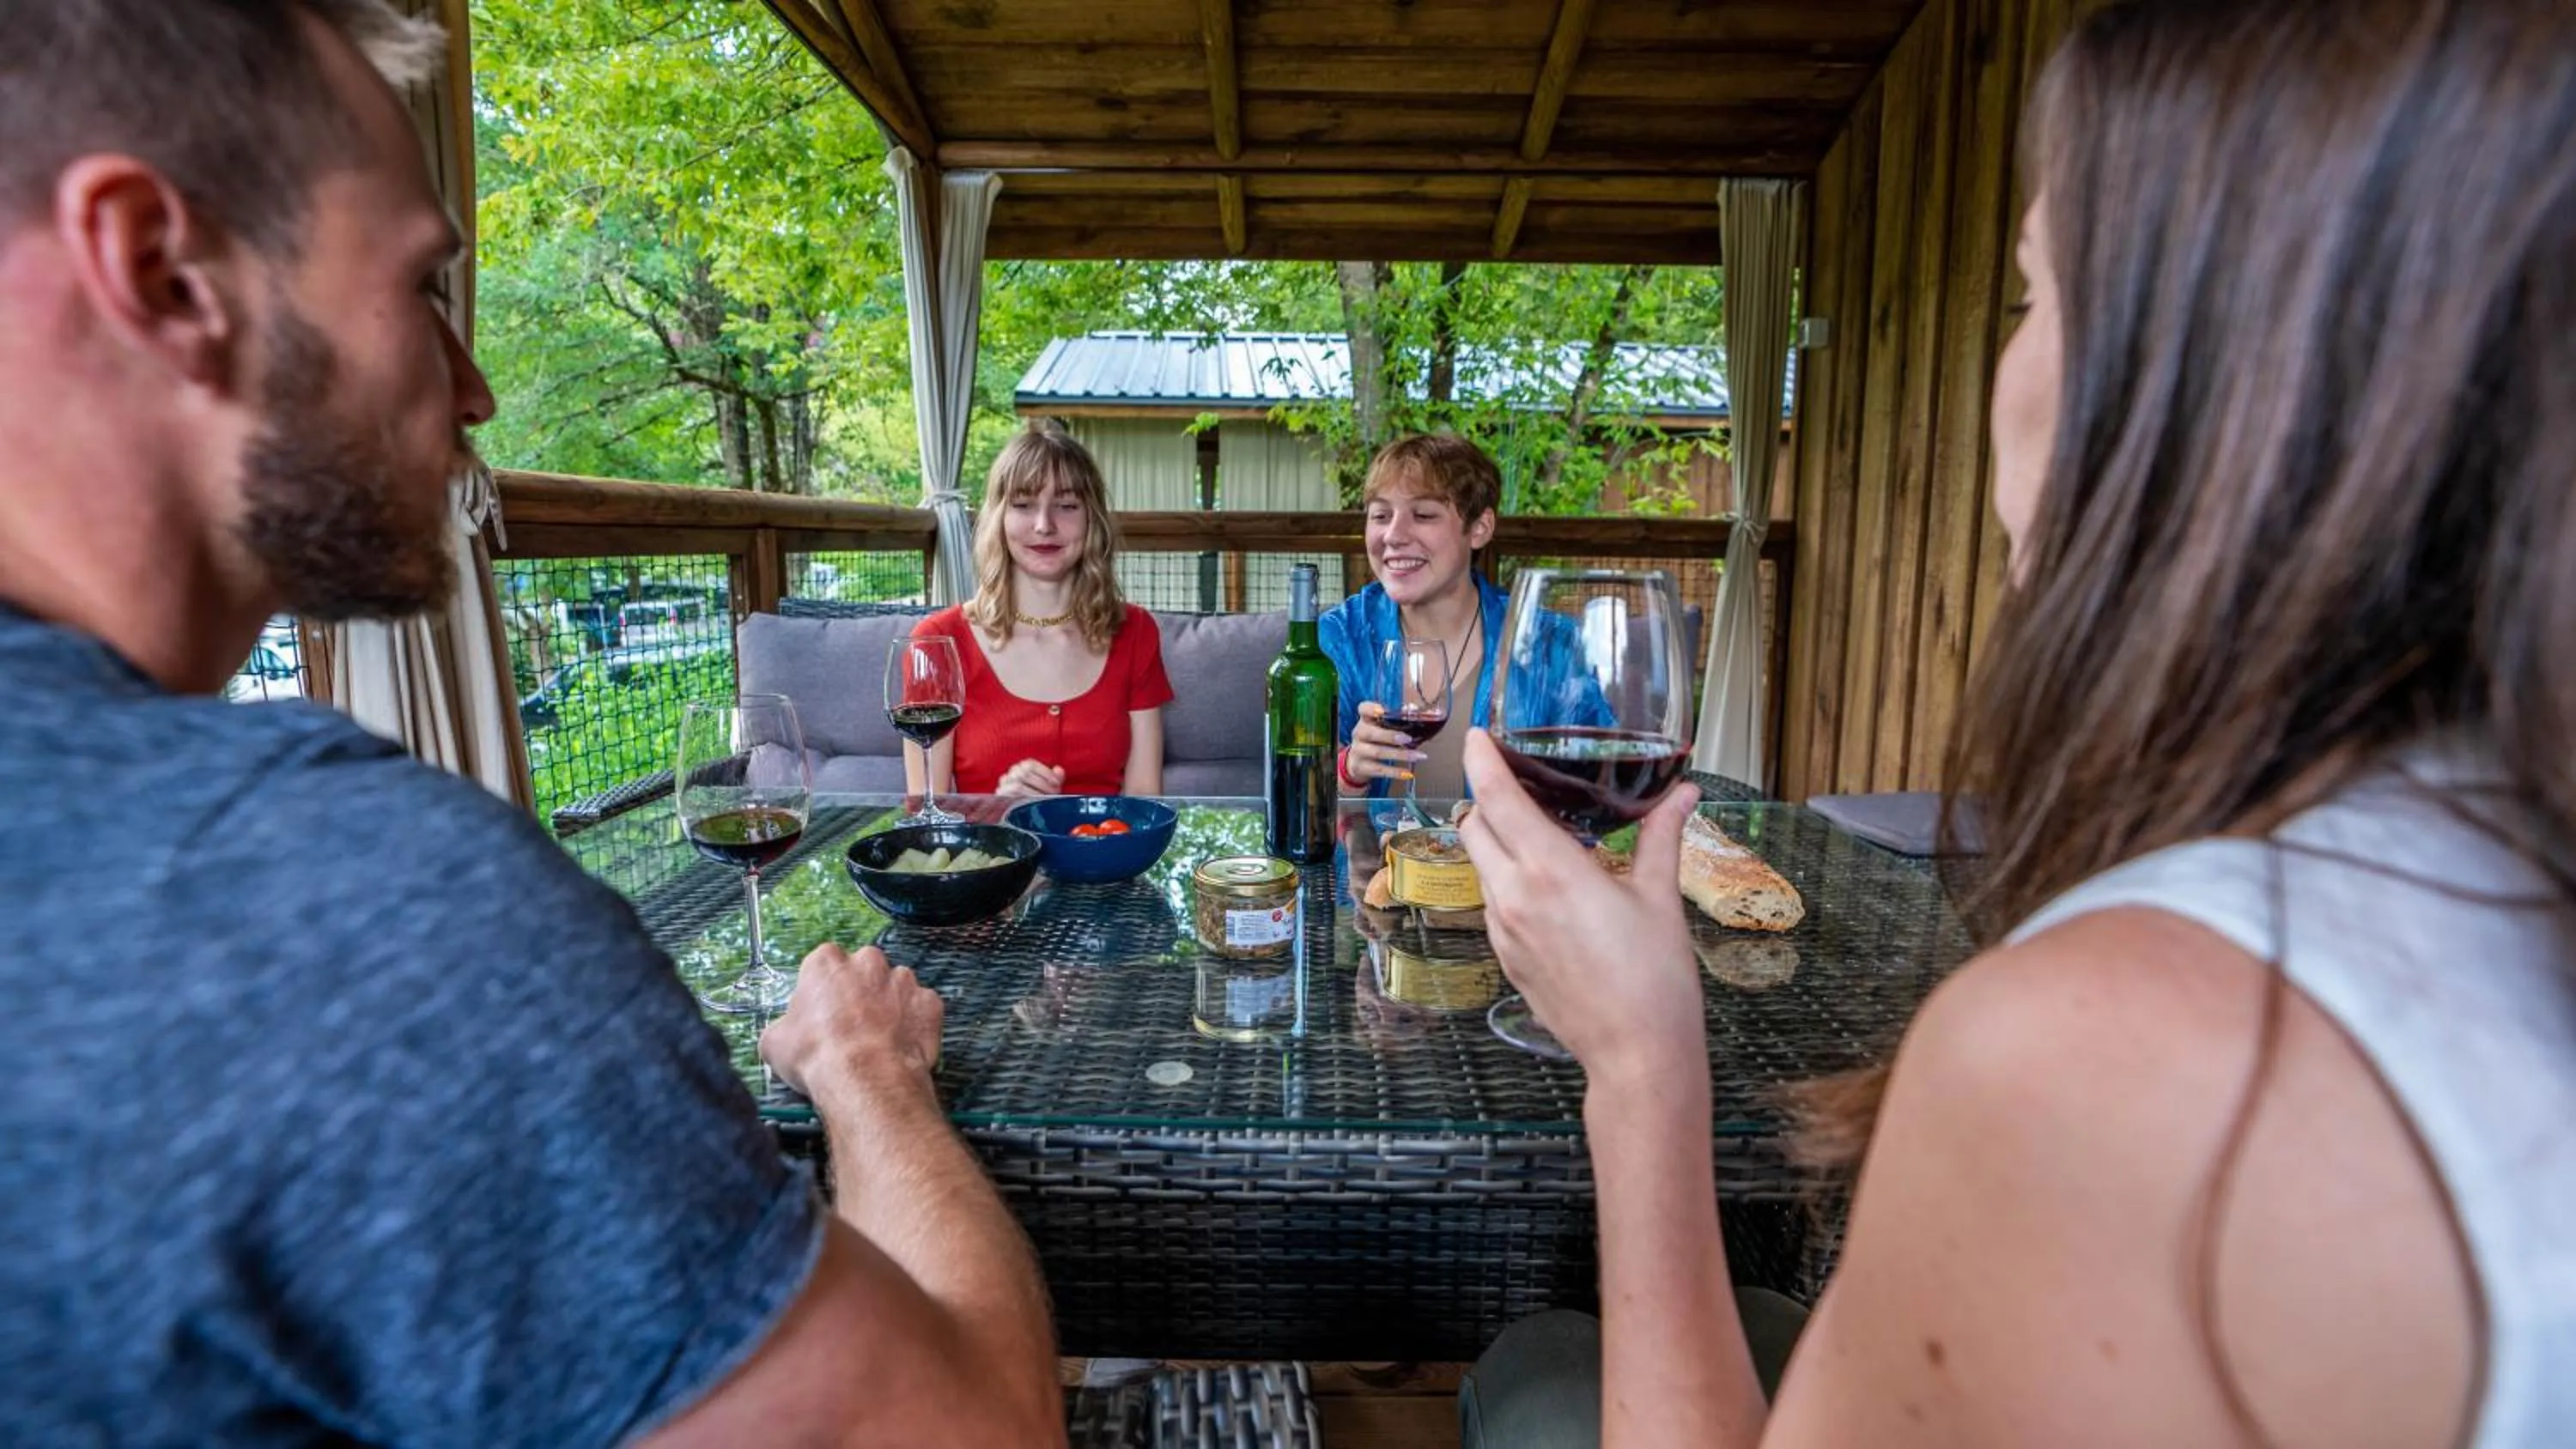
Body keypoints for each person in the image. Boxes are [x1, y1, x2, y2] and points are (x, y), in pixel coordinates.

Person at [1451, 0, 2576, 1445]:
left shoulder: (2122, 1052)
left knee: (1542, 1365)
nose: (2011, 364)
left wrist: (1638, 1057)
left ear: (2205, 384)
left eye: (2037, 296)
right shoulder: (2497, 885)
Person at [0, 3, 1061, 1444]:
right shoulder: (359, 907)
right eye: (420, 286)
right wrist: (870, 1073)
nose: (476, 387)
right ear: (160, 270)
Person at [908, 422, 1172, 800]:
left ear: (1092, 519)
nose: (1044, 525)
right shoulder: (936, 642)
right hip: (989, 842)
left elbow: (1145, 799)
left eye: (1067, 506)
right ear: (999, 518)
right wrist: (998, 809)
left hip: (1108, 842)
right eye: (1023, 505)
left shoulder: (1136, 630)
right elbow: (925, 812)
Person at [1321, 434, 1506, 804]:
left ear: (1479, 528)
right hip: (1372, 846)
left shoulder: (1544, 646)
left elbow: (1600, 789)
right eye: (1380, 516)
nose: (1393, 535)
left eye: (1423, 515)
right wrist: (1349, 771)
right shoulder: (1338, 638)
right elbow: (1293, 798)